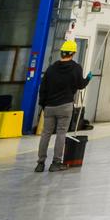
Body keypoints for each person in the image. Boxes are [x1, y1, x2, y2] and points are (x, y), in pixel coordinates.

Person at [34, 39, 86, 172]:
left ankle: (40, 163)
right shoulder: (76, 68)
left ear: (62, 53)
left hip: (49, 106)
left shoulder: (51, 69)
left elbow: (43, 88)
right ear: (73, 53)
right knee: (61, 133)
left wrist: (43, 105)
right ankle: (56, 163)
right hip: (65, 106)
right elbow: (80, 85)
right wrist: (88, 79)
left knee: (45, 134)